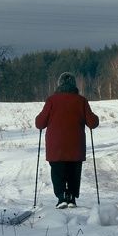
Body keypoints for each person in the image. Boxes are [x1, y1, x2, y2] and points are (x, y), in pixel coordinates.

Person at [35, 72, 100, 208]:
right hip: (75, 145)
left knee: (57, 171)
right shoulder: (81, 101)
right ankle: (71, 197)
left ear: (59, 84)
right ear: (74, 85)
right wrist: (95, 118)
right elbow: (92, 123)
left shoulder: (51, 100)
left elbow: (40, 123)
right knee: (74, 172)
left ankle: (61, 196)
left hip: (56, 146)